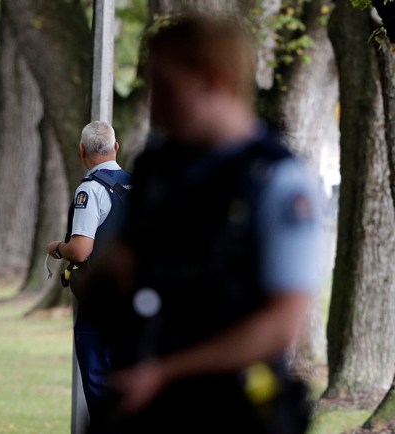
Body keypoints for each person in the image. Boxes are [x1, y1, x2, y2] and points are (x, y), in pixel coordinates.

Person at [84, 15, 321, 433]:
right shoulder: (158, 169)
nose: (154, 106)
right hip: (146, 399)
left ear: (214, 80)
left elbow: (283, 325)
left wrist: (168, 372)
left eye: (166, 89)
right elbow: (116, 268)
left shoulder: (277, 181)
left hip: (232, 408)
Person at [45, 120, 132, 426]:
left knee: (100, 395)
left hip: (101, 306)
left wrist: (58, 247)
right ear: (116, 148)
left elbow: (81, 249)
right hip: (136, 305)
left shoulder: (91, 190)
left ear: (82, 150)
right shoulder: (141, 186)